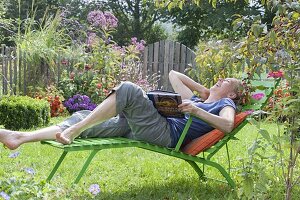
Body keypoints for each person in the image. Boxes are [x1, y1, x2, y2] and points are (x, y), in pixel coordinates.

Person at [0, 70, 243, 150]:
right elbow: (173, 75)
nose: (220, 80)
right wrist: (204, 94)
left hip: (164, 133)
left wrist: (199, 110)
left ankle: (74, 130)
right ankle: (20, 137)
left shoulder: (225, 104)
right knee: (86, 118)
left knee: (128, 89)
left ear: (232, 94)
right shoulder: (203, 100)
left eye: (226, 82)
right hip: (149, 126)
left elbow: (228, 125)